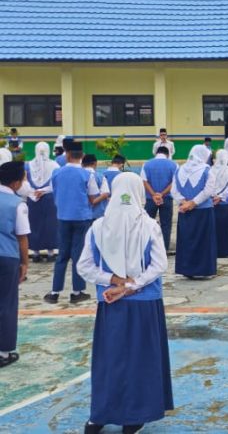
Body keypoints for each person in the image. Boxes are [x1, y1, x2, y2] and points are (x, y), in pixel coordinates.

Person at [75, 173, 173, 434]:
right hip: (144, 305)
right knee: (141, 360)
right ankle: (134, 418)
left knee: (111, 359)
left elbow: (84, 266)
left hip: (111, 304)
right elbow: (159, 265)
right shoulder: (149, 225)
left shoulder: (98, 226)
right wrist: (129, 285)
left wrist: (113, 281)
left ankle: (99, 417)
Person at [44, 141, 100, 304]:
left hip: (63, 217)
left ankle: (54, 292)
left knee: (62, 255)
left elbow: (55, 191)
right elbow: (92, 198)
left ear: (67, 154)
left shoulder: (56, 173)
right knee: (78, 255)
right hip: (82, 218)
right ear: (82, 156)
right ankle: (77, 292)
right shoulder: (87, 175)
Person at [0, 161, 30, 369]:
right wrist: (25, 264)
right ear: (17, 182)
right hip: (7, 257)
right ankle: (3, 351)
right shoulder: (17, 203)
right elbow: (22, 237)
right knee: (7, 304)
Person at [172, 145, 217, 279]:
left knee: (187, 240)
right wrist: (193, 203)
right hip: (203, 212)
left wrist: (184, 202)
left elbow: (173, 191)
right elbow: (208, 191)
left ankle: (187, 269)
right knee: (204, 240)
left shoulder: (179, 170)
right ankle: (205, 270)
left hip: (184, 211)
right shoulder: (207, 170)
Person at [25, 142, 59, 262]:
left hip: (33, 199)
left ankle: (35, 253)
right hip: (49, 199)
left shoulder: (28, 165)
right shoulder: (54, 165)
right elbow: (56, 183)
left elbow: (25, 182)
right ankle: (50, 253)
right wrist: (43, 191)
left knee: (34, 224)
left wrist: (34, 192)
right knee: (50, 225)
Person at [141, 146, 178, 252]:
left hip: (150, 199)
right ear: (167, 154)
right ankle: (164, 250)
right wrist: (161, 194)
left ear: (156, 153)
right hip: (166, 199)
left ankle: (147, 249)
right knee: (166, 225)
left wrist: (154, 195)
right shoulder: (174, 165)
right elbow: (174, 182)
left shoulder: (146, 164)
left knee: (147, 224)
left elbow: (144, 181)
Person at [210, 150, 228, 258]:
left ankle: (216, 251)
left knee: (216, 229)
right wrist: (221, 197)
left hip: (213, 204)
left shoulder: (211, 170)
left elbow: (209, 185)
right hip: (227, 204)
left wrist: (214, 196)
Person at [83, 155, 111, 220]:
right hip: (97, 214)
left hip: (82, 215)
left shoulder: (79, 175)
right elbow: (105, 193)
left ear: (82, 164)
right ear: (95, 163)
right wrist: (93, 201)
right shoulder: (100, 176)